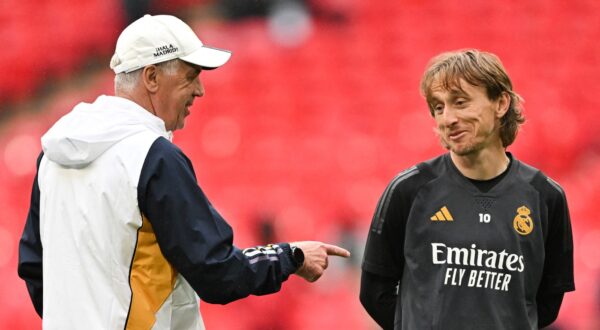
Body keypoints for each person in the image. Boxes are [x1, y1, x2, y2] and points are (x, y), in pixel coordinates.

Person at [17, 14, 350, 329]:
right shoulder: (153, 157)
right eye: (190, 76)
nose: (200, 90)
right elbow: (216, 271)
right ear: (151, 77)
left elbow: (34, 268)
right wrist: (289, 256)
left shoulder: (51, 157)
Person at [359, 49, 574, 329]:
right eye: (439, 107)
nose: (447, 119)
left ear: (500, 104)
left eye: (460, 103)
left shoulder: (546, 197)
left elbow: (546, 303)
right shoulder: (408, 191)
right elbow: (375, 293)